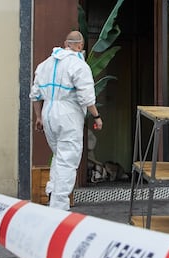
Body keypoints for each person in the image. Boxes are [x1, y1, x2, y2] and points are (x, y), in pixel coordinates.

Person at [30, 30, 103, 211]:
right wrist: (97, 116)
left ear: (65, 43)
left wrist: (39, 117)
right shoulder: (78, 65)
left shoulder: (44, 65)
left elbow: (35, 95)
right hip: (68, 114)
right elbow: (86, 97)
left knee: (58, 156)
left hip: (48, 112)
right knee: (67, 159)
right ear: (79, 46)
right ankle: (59, 207)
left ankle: (52, 194)